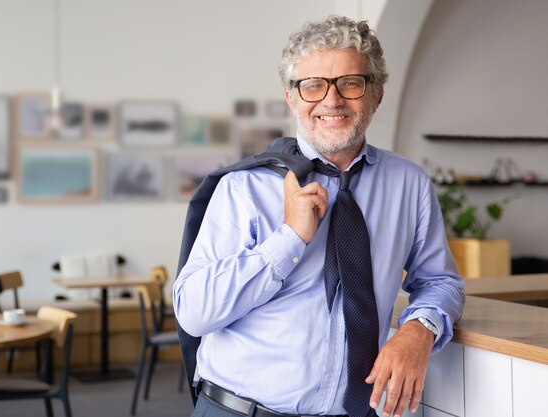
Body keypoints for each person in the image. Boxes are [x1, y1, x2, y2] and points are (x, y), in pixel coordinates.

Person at [174, 15, 465, 417]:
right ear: (292, 98)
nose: (331, 101)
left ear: (376, 94)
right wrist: (289, 238)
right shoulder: (245, 188)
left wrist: (419, 330)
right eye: (313, 85)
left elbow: (439, 281)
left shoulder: (408, 185)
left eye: (351, 82)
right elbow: (193, 313)